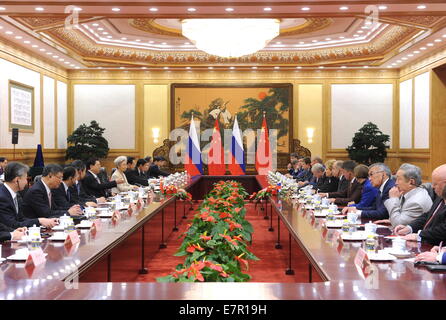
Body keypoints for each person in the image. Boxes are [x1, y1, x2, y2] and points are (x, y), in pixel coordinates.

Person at [394, 164, 446, 245]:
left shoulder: (420, 198)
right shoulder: (440, 197)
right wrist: (409, 227)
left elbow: (443, 229)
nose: (432, 187)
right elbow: (428, 215)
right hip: (428, 244)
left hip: (436, 246)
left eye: (435, 184)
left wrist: (419, 235)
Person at [0, 162, 58, 229]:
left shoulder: (16, 195)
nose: (26, 182)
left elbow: (21, 219)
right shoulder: (2, 198)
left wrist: (42, 221)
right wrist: (39, 221)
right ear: (17, 180)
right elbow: (12, 225)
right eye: (25, 179)